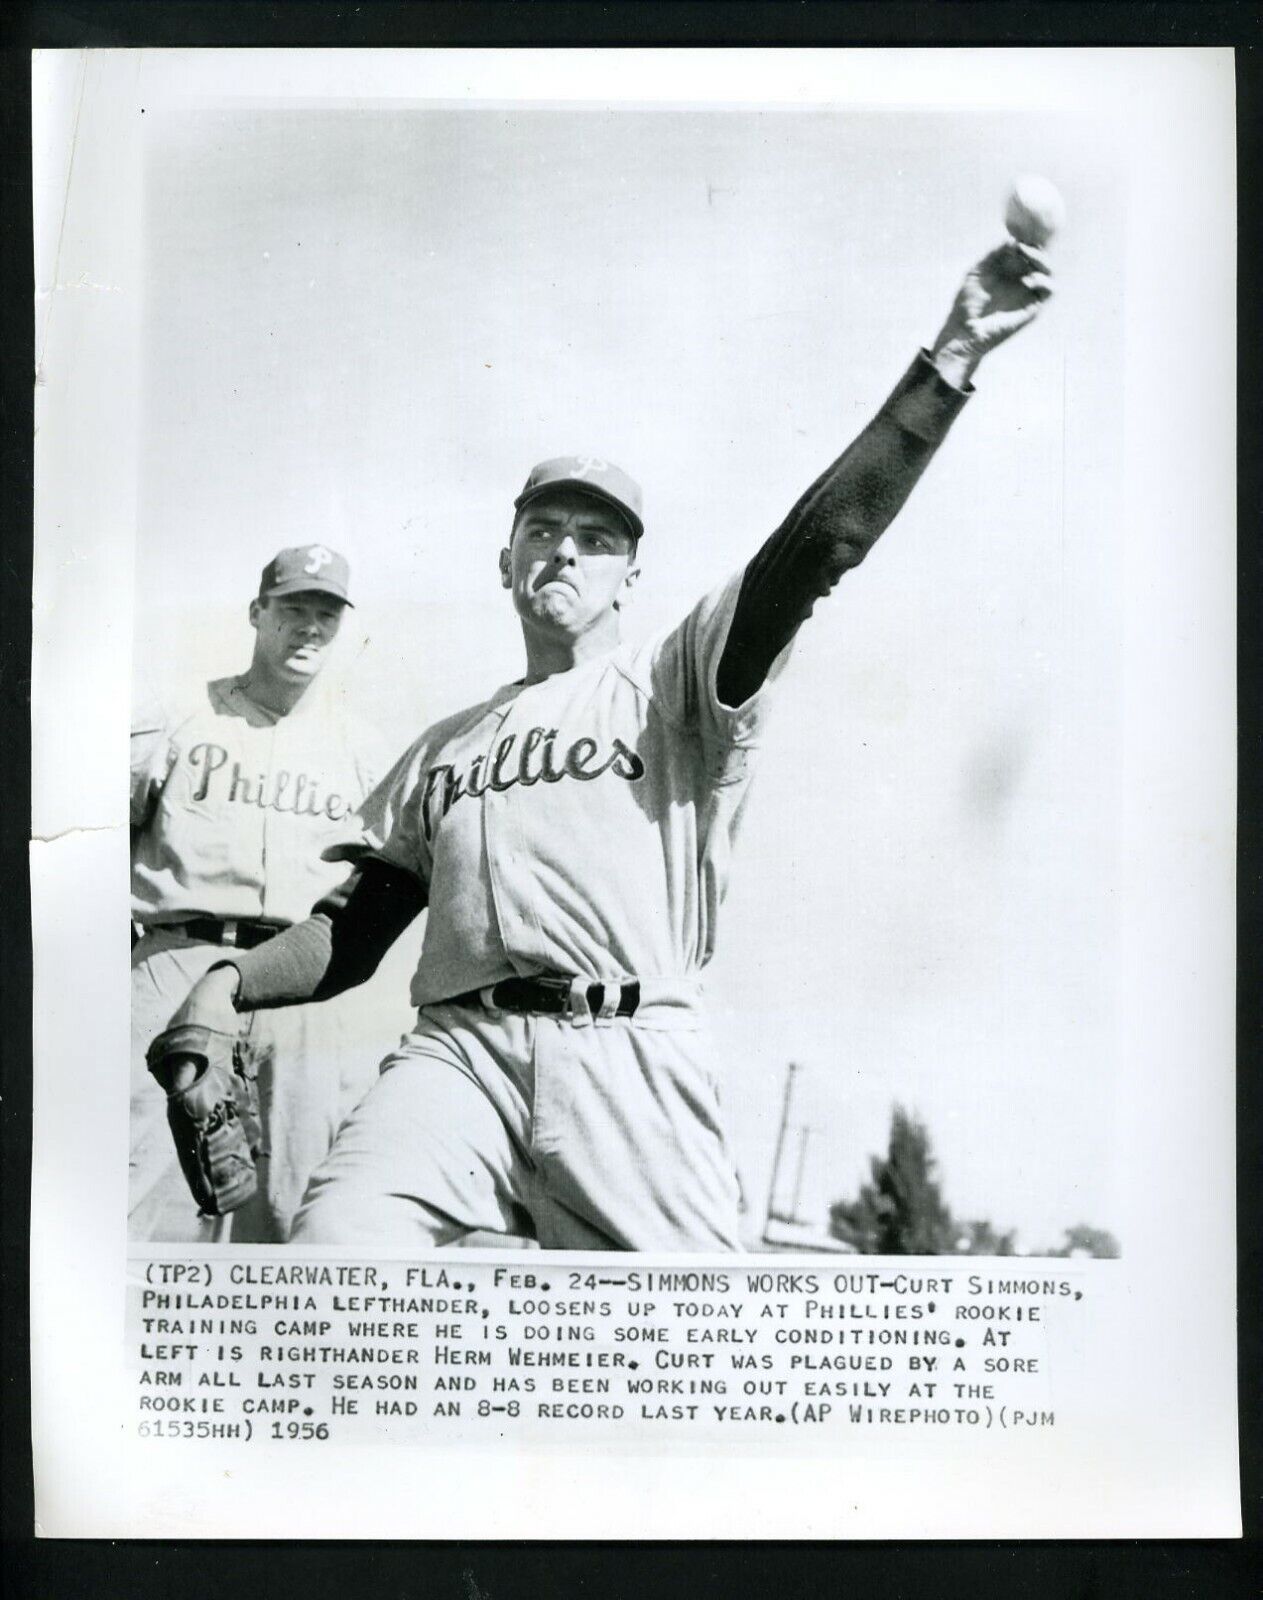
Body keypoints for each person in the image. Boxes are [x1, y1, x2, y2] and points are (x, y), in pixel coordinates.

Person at [163, 241, 1053, 1250]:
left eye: (598, 537)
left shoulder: (679, 678)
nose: (567, 549)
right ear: (507, 560)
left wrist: (944, 368)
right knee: (334, 1257)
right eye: (545, 528)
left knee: (691, 1361)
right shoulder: (440, 748)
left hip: (627, 1051)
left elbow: (816, 550)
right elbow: (350, 935)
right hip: (456, 1056)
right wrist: (224, 983)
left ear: (632, 573)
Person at [130, 545, 387, 1242]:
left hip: (296, 986)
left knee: (286, 1202)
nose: (308, 628)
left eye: (325, 615)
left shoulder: (363, 751)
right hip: (177, 962)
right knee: (141, 1185)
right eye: (293, 610)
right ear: (257, 613)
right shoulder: (178, 719)